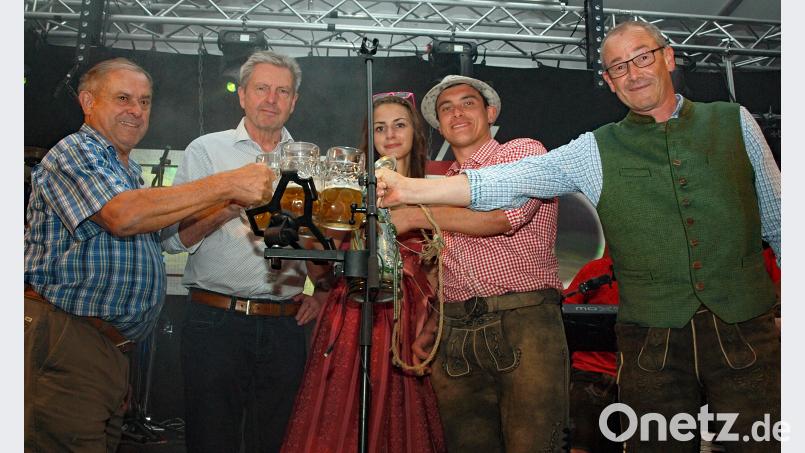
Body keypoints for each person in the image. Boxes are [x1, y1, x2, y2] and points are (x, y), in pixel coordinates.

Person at [376, 20, 781, 452]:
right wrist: (410, 188)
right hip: (651, 340)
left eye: (642, 57)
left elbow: (781, 222)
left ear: (667, 58)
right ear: (608, 81)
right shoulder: (595, 147)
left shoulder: (735, 122)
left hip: (746, 327)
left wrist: (411, 203)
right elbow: (506, 182)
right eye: (619, 67)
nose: (634, 73)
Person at [24, 57, 274, 452]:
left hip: (104, 350)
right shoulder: (75, 151)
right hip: (67, 340)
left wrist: (230, 203)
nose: (136, 110)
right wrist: (229, 180)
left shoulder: (126, 170)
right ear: (88, 102)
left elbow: (161, 236)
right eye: (123, 98)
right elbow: (123, 216)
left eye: (144, 101)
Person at [387, 76, 569, 452]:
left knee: (535, 445)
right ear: (439, 125)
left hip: (523, 319)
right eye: (446, 108)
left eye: (468, 103)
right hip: (454, 329)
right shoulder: (442, 182)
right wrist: (432, 323)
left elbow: (501, 219)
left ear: (490, 112)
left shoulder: (522, 151)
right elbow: (445, 262)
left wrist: (412, 216)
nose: (457, 112)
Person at [160, 50, 324, 453]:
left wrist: (323, 291)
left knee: (277, 441)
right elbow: (173, 239)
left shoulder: (311, 162)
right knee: (211, 440)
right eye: (262, 88)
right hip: (216, 322)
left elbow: (325, 243)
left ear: (294, 101)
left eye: (282, 91)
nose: (271, 98)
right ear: (242, 96)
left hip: (285, 326)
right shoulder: (206, 151)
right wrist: (231, 202)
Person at [281, 92, 445, 453]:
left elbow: (441, 270)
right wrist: (310, 234)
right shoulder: (350, 188)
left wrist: (430, 321)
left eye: (399, 125)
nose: (390, 135)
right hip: (353, 312)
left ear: (415, 131)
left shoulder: (436, 186)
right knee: (341, 415)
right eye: (380, 128)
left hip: (412, 318)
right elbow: (322, 268)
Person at [562, 254, 620, 453]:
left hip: (639, 375)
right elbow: (566, 309)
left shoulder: (659, 274)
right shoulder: (597, 269)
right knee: (579, 445)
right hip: (590, 375)